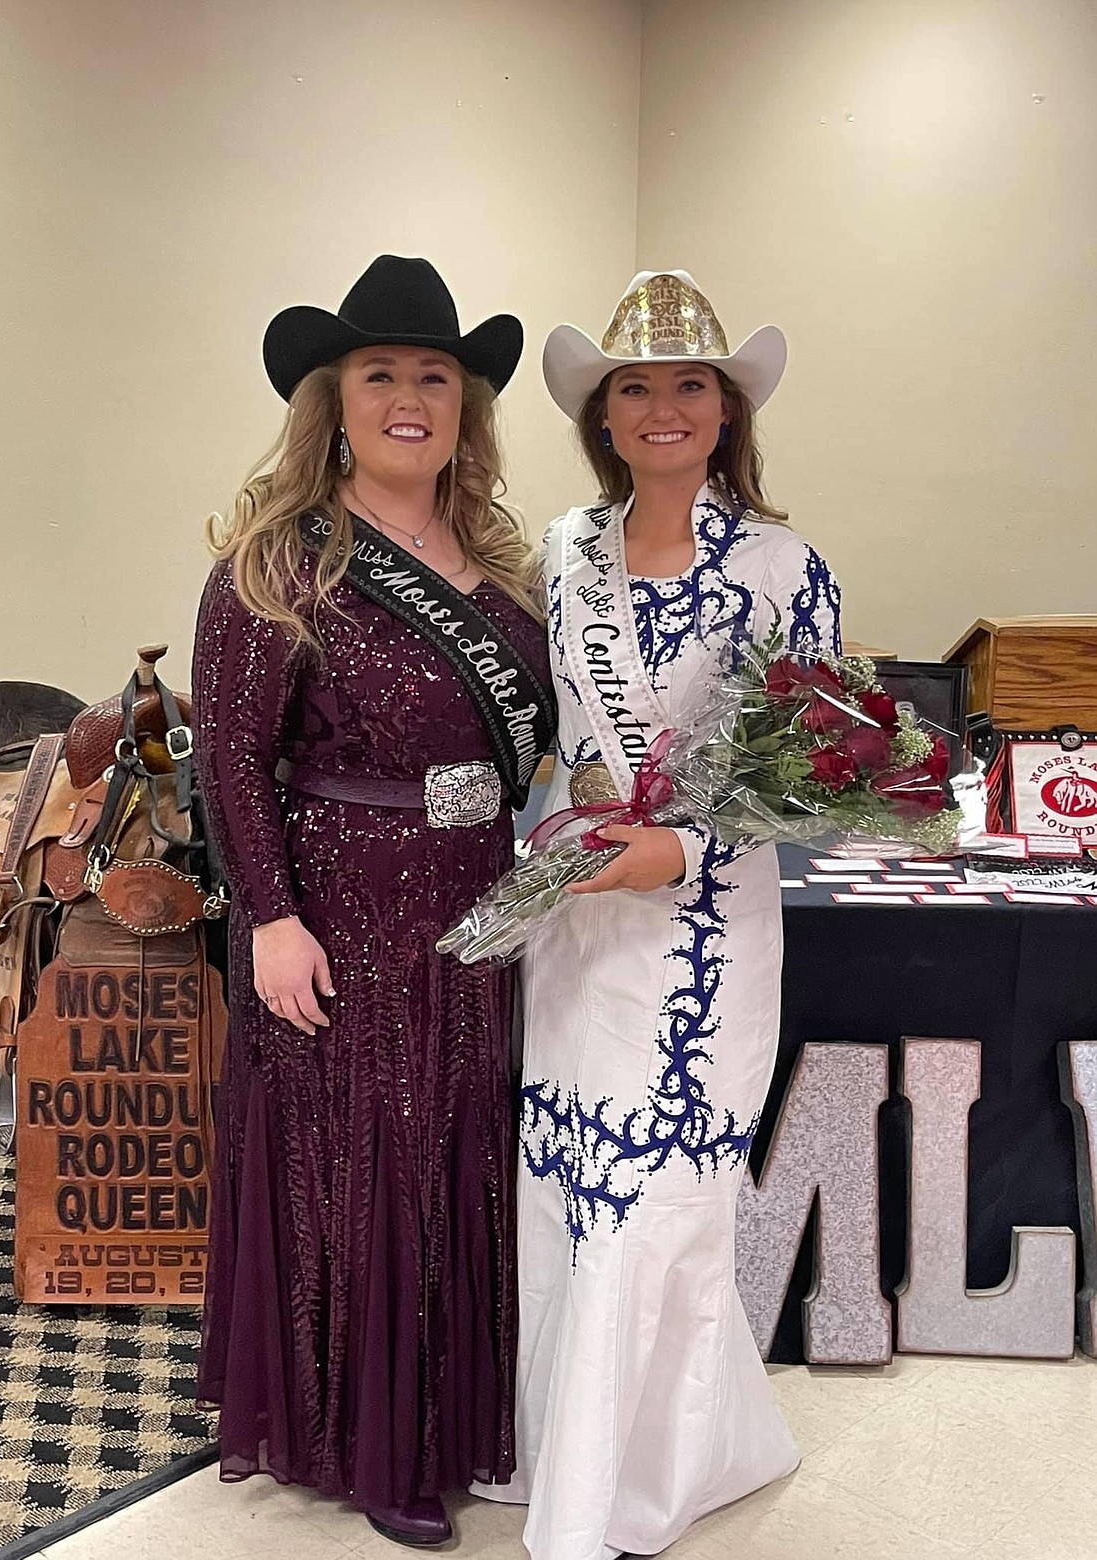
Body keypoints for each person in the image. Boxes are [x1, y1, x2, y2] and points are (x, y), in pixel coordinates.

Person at [475, 270, 842, 1560]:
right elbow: (534, 726)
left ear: (729, 410)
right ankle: (568, 1449)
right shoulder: (560, 551)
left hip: (703, 928)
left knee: (658, 1187)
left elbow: (807, 762)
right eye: (637, 386)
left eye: (692, 384)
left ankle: (635, 1480)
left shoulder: (790, 568)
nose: (665, 406)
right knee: (567, 1175)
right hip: (579, 915)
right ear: (605, 413)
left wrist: (677, 847)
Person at [191, 255, 554, 1549]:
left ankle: (455, 1421)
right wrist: (269, 918)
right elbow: (229, 759)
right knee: (368, 1166)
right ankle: (369, 1442)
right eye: (381, 375)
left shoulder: (508, 562)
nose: (410, 398)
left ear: (466, 405)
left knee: (458, 1154)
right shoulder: (278, 562)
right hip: (343, 904)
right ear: (332, 404)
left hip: (481, 900)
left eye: (434, 377)